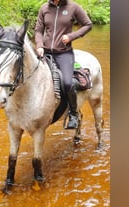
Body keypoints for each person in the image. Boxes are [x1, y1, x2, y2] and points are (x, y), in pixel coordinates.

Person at [35, 0, 92, 129]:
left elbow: (88, 25)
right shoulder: (44, 8)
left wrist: (71, 36)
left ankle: (73, 114)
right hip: (45, 52)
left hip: (64, 54)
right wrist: (39, 45)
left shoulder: (73, 7)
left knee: (67, 82)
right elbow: (38, 30)